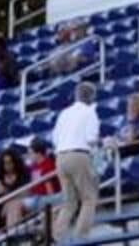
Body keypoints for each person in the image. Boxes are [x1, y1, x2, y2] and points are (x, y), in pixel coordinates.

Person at [51, 80, 103, 242]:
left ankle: (57, 236)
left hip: (60, 156)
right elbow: (91, 138)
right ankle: (81, 237)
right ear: (92, 97)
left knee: (69, 202)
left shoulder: (64, 113)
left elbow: (55, 138)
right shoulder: (90, 112)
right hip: (79, 154)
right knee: (88, 198)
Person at [0, 147, 33, 233]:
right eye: (5, 163)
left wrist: (6, 193)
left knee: (12, 205)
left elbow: (26, 193)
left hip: (22, 206)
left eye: (10, 162)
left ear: (15, 162)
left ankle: (12, 235)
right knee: (6, 202)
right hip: (2, 211)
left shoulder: (23, 175)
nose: (7, 166)